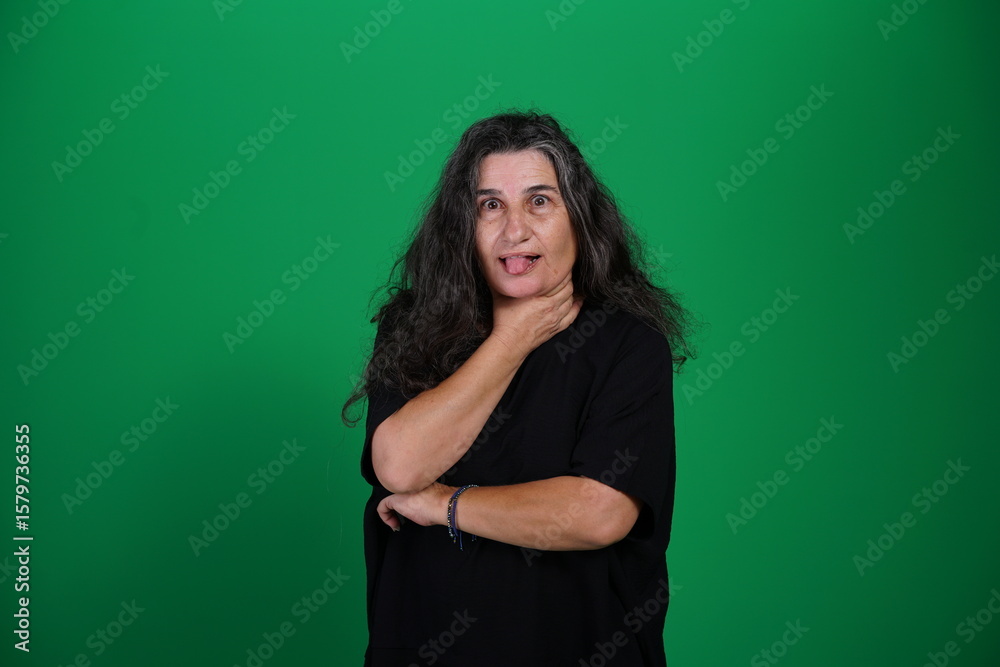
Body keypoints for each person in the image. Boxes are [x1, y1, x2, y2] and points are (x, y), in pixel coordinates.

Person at [342, 109, 696, 666]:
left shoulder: (628, 345)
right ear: (463, 225)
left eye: (539, 201)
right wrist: (512, 338)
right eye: (490, 205)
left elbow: (598, 512)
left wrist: (444, 504)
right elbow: (399, 467)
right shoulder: (414, 326)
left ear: (578, 216)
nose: (515, 230)